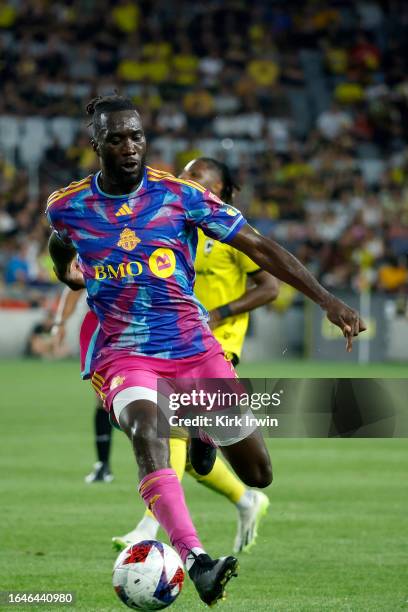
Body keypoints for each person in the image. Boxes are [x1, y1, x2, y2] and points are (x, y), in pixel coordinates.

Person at [47, 95, 365, 606]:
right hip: (124, 352)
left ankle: (200, 428)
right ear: (96, 143)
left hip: (196, 349)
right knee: (147, 432)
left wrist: (326, 299)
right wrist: (67, 274)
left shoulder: (180, 195)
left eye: (136, 136)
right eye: (116, 138)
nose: (129, 146)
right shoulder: (68, 205)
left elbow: (258, 248)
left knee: (258, 472)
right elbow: (60, 243)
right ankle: (196, 560)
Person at [52, 157, 279, 553]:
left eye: (199, 179)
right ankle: (243, 499)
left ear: (222, 193)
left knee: (165, 429)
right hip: (160, 342)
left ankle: (151, 527)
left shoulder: (226, 232)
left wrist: (220, 312)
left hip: (214, 344)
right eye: (186, 175)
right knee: (177, 445)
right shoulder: (166, 217)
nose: (187, 181)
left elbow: (270, 286)